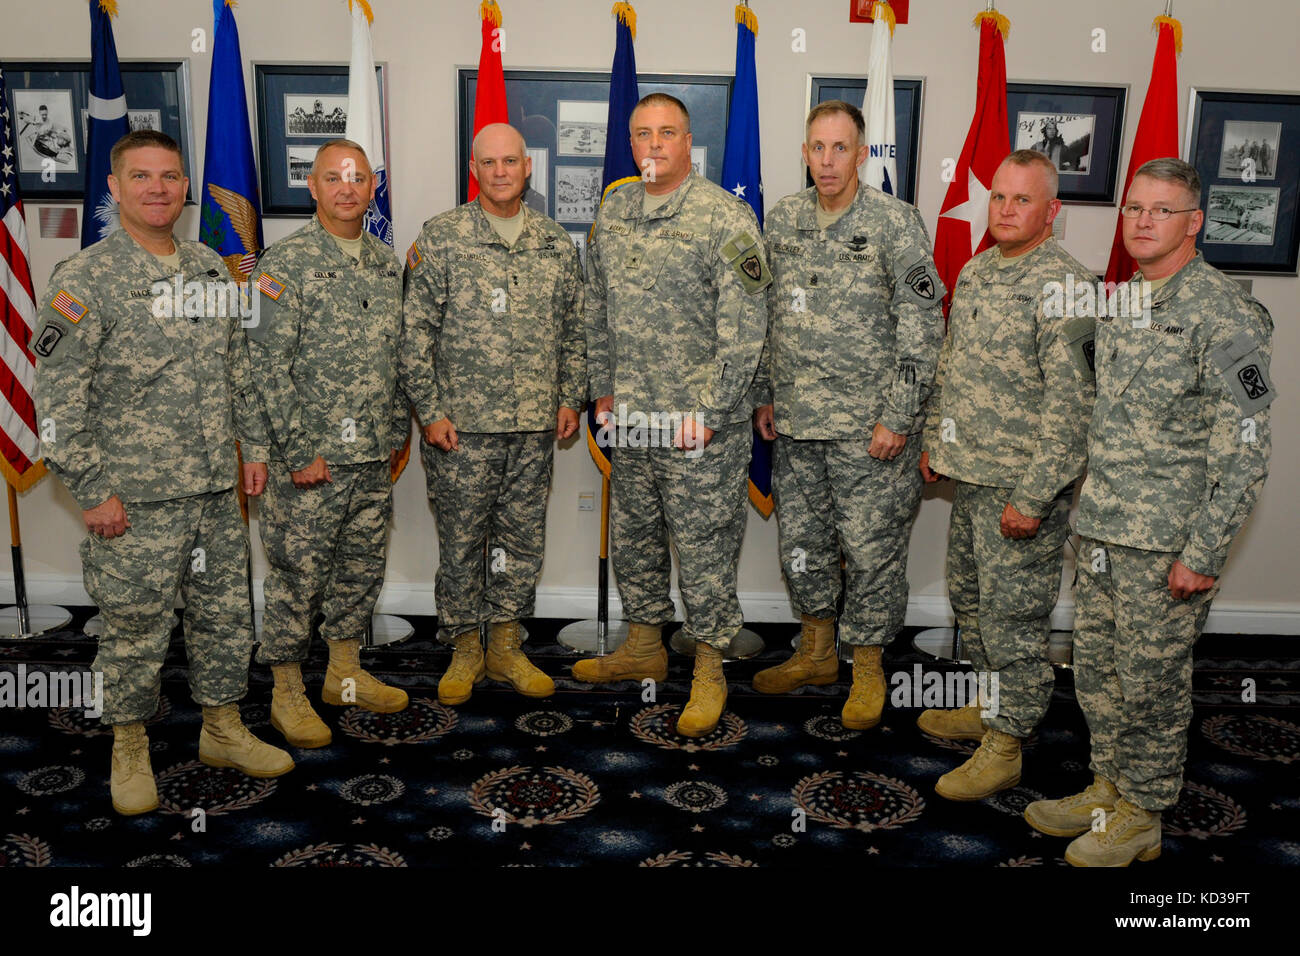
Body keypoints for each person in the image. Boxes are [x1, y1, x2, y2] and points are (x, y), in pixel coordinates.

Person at [32, 130, 293, 816]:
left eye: (170, 177)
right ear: (114, 188)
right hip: (134, 499)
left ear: (184, 187)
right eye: (141, 176)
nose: (158, 188)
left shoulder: (210, 268)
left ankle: (222, 729)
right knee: (133, 630)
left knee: (225, 619)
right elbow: (56, 405)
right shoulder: (84, 279)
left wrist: (255, 449)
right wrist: (92, 491)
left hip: (212, 489)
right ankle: (128, 746)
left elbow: (239, 369)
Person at [1025, 158, 1274, 866]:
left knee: (1153, 682)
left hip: (1165, 541)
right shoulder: (1124, 301)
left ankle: (1144, 813)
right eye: (1133, 208)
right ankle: (1110, 787)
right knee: (1099, 671)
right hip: (1103, 526)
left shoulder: (1226, 312)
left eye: (1160, 211)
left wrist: (1205, 551)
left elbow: (1246, 449)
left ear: (1193, 222)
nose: (1141, 222)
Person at [571, 93, 770, 738]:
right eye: (641, 134)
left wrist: (709, 414)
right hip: (630, 419)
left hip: (697, 428)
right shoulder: (616, 208)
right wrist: (601, 389)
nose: (652, 145)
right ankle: (643, 645)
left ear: (689, 142)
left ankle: (710, 666)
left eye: (666, 133)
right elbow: (595, 307)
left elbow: (744, 332)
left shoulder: (725, 218)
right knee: (635, 539)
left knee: (705, 548)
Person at [750, 100, 944, 730]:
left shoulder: (896, 223)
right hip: (800, 424)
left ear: (862, 154)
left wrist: (899, 416)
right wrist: (765, 393)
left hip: (871, 434)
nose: (827, 161)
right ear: (804, 153)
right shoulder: (781, 221)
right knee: (802, 545)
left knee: (871, 551)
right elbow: (765, 316)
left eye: (840, 148)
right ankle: (815, 652)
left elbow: (922, 329)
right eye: (816, 148)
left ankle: (866, 665)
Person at [918, 150, 1096, 800]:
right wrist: (937, 437)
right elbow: (951, 366)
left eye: (1022, 200)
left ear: (1052, 212)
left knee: (1014, 622)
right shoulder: (976, 271)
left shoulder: (1068, 286)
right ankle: (992, 711)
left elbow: (1074, 406)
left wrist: (1035, 496)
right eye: (998, 197)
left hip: (1022, 491)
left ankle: (1006, 746)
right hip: (971, 478)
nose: (1005, 210)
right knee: (974, 606)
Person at [401, 123, 585, 704]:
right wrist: (429, 411)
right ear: (474, 169)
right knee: (460, 541)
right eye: (489, 162)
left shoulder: (557, 243)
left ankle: (505, 643)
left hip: (534, 427)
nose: (501, 171)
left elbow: (576, 331)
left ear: (527, 167)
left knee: (520, 538)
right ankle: (464, 647)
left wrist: (568, 396)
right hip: (460, 429)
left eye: (511, 161)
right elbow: (413, 336)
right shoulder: (442, 238)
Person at [246, 139, 410, 748]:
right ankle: (286, 688)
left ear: (373, 189)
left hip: (371, 457)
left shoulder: (387, 264)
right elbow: (263, 363)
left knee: (358, 572)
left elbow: (395, 360)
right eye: (334, 178)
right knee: (297, 577)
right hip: (308, 461)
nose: (348, 188)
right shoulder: (279, 266)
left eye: (359, 179)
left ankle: (343, 673)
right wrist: (294, 450)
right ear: (311, 187)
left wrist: (395, 433)